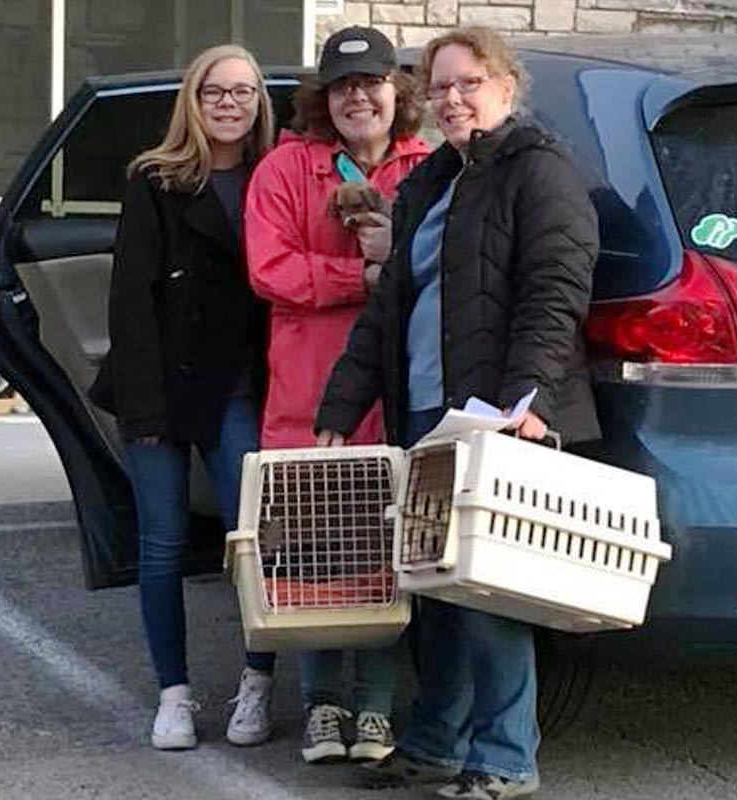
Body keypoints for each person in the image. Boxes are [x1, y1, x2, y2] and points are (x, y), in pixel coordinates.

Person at [315, 27, 601, 799]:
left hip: (496, 419)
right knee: (435, 590)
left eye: (468, 83)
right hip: (424, 413)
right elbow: (387, 311)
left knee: (490, 595)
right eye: (440, 86)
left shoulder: (536, 171)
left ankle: (507, 758)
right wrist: (344, 403)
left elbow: (556, 291)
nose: (452, 98)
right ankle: (437, 742)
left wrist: (527, 400)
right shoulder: (431, 182)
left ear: (506, 87)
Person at [244, 26, 430, 765]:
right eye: (344, 87)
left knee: (389, 553)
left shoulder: (428, 165)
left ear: (397, 91)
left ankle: (377, 709)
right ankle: (323, 706)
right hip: (309, 390)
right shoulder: (287, 169)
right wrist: (361, 279)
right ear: (325, 99)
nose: (360, 97)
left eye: (372, 83)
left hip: (397, 391)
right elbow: (269, 269)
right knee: (312, 556)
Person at [91, 44, 277, 751]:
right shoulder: (154, 180)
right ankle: (174, 694)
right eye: (215, 92)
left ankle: (258, 685)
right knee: (162, 547)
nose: (230, 104)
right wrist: (140, 412)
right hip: (163, 389)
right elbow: (130, 303)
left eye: (244, 92)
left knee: (255, 544)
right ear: (192, 103)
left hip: (237, 386)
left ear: (261, 103)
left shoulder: (275, 175)